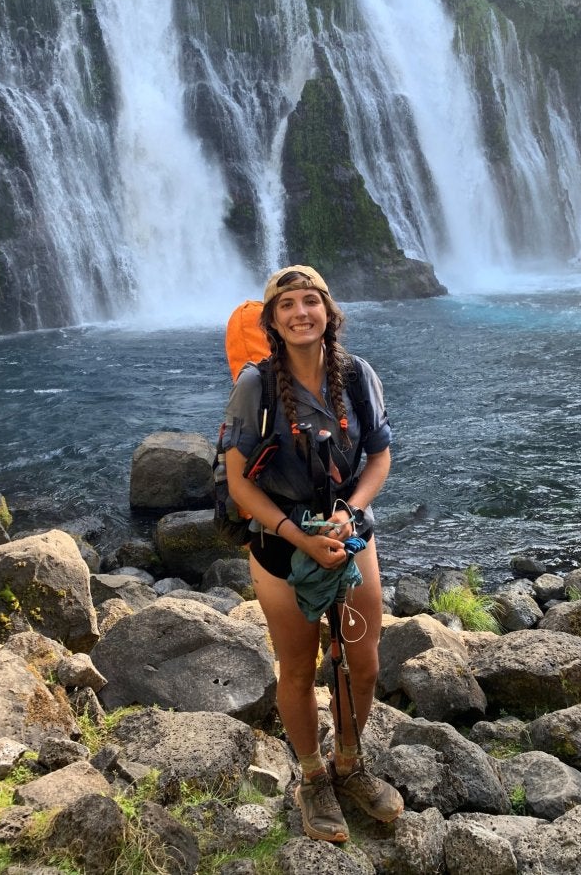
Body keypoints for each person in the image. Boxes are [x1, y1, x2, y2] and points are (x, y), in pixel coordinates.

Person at [223, 265, 404, 842]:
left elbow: (378, 457)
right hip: (281, 542)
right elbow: (239, 484)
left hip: (347, 530)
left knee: (364, 659)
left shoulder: (358, 376)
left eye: (311, 302)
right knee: (299, 668)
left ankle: (348, 766)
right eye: (287, 306)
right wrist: (299, 538)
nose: (301, 313)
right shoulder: (255, 386)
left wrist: (349, 511)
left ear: (328, 312)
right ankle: (311, 777)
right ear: (273, 322)